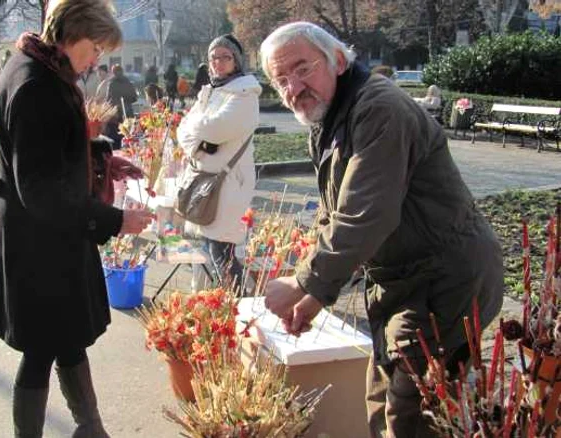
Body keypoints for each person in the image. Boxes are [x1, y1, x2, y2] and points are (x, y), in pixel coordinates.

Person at [259, 22, 503, 437]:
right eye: (280, 80)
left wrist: (307, 284)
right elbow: (333, 213)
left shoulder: (378, 108)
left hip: (442, 282)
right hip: (403, 283)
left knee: (410, 414)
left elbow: (364, 215)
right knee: (382, 401)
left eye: (302, 69)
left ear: (337, 60)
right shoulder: (331, 116)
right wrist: (311, 292)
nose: (293, 87)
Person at [0, 0, 154, 436]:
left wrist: (101, 159)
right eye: (95, 47)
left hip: (47, 235)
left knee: (67, 338)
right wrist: (117, 220)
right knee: (42, 348)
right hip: (39, 239)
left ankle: (91, 428)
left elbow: (51, 153)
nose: (97, 59)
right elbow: (41, 190)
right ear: (72, 33)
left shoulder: (42, 69)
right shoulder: (35, 86)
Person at [176, 34, 260, 291]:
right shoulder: (212, 91)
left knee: (221, 252)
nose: (219, 63)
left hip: (228, 184)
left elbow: (215, 129)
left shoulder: (245, 94)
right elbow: (182, 131)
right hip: (205, 183)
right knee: (204, 249)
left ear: (237, 60)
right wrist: (198, 140)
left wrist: (195, 129)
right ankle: (211, 303)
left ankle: (239, 308)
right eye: (214, 58)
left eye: (226, 57)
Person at [104, 64, 137, 150]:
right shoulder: (128, 82)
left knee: (115, 136)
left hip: (116, 114)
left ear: (113, 72)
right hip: (128, 112)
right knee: (128, 135)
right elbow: (134, 97)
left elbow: (108, 99)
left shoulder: (111, 83)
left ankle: (117, 151)